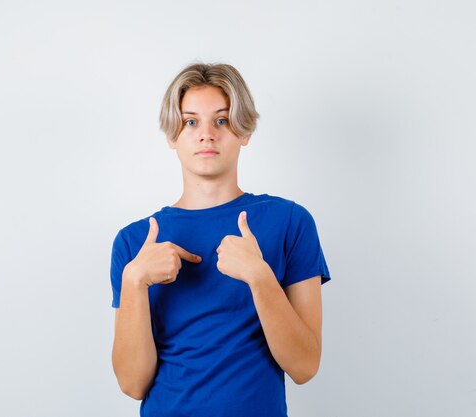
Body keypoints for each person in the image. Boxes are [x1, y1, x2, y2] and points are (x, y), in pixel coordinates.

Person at [109, 62, 331, 417]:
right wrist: (134, 281)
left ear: (244, 131)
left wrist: (260, 278)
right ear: (172, 135)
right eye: (191, 121)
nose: (206, 134)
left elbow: (305, 366)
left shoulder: (290, 221)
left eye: (222, 120)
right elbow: (133, 384)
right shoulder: (134, 241)